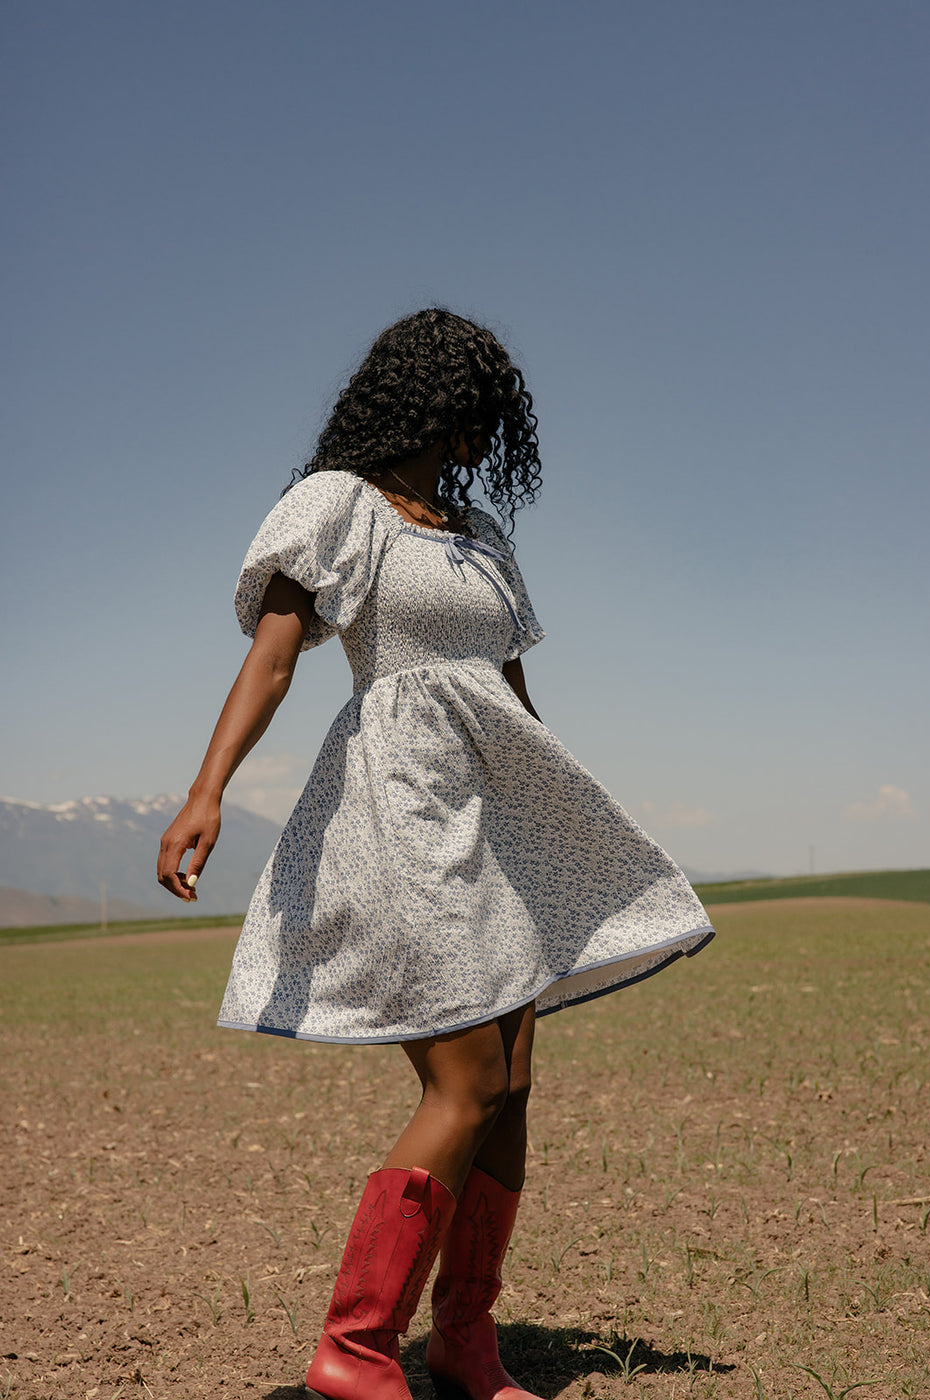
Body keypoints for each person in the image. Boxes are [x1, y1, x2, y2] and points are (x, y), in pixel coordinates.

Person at [158, 308, 714, 1400]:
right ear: (421, 400)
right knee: (465, 1080)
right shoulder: (335, 504)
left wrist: (561, 820)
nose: (483, 434)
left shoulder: (482, 535)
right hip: (400, 808)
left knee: (512, 1083)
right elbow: (274, 658)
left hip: (499, 814)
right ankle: (356, 1345)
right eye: (472, 411)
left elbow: (510, 687)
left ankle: (464, 1339)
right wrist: (206, 789)